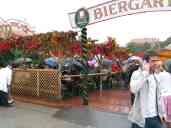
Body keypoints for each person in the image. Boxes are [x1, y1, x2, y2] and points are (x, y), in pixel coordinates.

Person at [129, 51, 164, 128]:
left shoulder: (157, 75)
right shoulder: (137, 74)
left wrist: (162, 113)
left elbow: (160, 95)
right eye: (153, 61)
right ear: (145, 62)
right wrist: (145, 73)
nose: (156, 63)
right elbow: (133, 89)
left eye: (157, 60)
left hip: (156, 117)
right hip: (141, 118)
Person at [157, 61, 171, 128]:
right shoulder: (169, 74)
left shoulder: (158, 75)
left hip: (163, 97)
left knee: (162, 117)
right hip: (169, 96)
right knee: (169, 118)